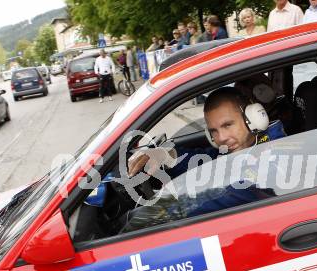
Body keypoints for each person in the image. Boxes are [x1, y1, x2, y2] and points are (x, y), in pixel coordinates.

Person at [121, 87, 287, 232]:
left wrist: (163, 212)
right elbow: (204, 161)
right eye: (213, 131)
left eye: (228, 125)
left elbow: (234, 195)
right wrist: (166, 155)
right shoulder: (236, 150)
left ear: (253, 118)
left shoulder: (274, 153)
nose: (221, 138)